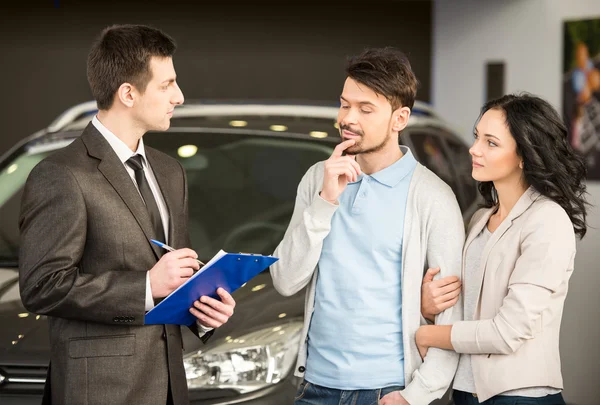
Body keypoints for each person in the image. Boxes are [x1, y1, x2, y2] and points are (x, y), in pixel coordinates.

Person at [18, 24, 235, 405]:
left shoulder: (170, 171)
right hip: (100, 390)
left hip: (169, 387)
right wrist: (146, 286)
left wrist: (202, 308)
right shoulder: (61, 174)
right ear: (128, 94)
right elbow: (42, 286)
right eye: (167, 85)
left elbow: (172, 273)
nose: (180, 97)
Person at [270, 47, 464, 405]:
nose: (348, 118)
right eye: (345, 105)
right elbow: (284, 280)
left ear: (399, 119)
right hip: (314, 385)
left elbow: (452, 316)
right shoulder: (318, 179)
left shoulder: (433, 197)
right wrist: (325, 202)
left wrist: (416, 395)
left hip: (388, 389)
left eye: (365, 108)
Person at [417, 93, 589, 405]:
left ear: (524, 154)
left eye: (490, 143)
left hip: (519, 397)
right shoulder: (481, 220)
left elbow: (506, 332)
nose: (474, 149)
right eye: (476, 137)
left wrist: (428, 335)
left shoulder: (547, 221)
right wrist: (428, 308)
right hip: (465, 393)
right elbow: (466, 309)